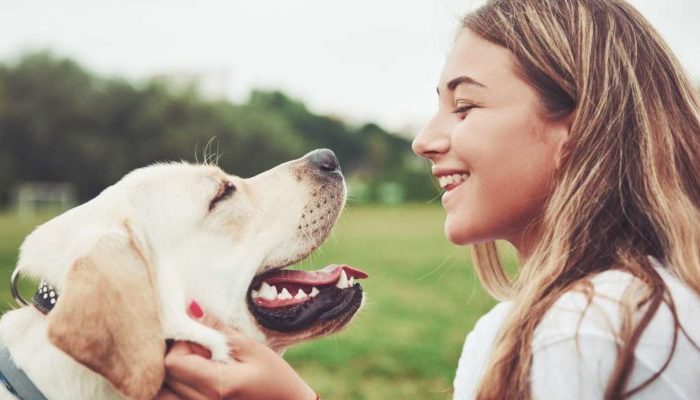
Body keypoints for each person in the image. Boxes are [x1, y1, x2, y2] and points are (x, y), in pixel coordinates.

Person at [157, 0, 700, 398]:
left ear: (581, 129)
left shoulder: (584, 328)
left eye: (465, 107)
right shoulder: (637, 303)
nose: (424, 141)